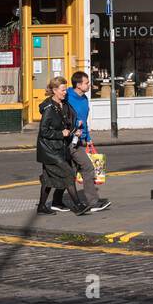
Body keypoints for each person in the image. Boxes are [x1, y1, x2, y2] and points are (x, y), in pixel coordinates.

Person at [36, 77, 90, 216]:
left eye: (66, 89)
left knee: (48, 179)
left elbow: (68, 121)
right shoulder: (49, 108)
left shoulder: (64, 104)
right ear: (54, 90)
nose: (66, 92)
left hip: (61, 147)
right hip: (49, 150)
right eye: (63, 90)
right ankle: (77, 206)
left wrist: (74, 129)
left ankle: (42, 206)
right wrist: (61, 133)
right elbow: (44, 131)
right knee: (69, 174)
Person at [57, 71, 109, 212]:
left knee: (70, 173)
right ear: (78, 85)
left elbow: (84, 121)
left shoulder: (84, 99)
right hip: (70, 140)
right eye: (86, 83)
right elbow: (55, 104)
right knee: (88, 168)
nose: (89, 85)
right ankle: (93, 202)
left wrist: (88, 138)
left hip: (80, 139)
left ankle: (56, 201)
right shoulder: (67, 95)